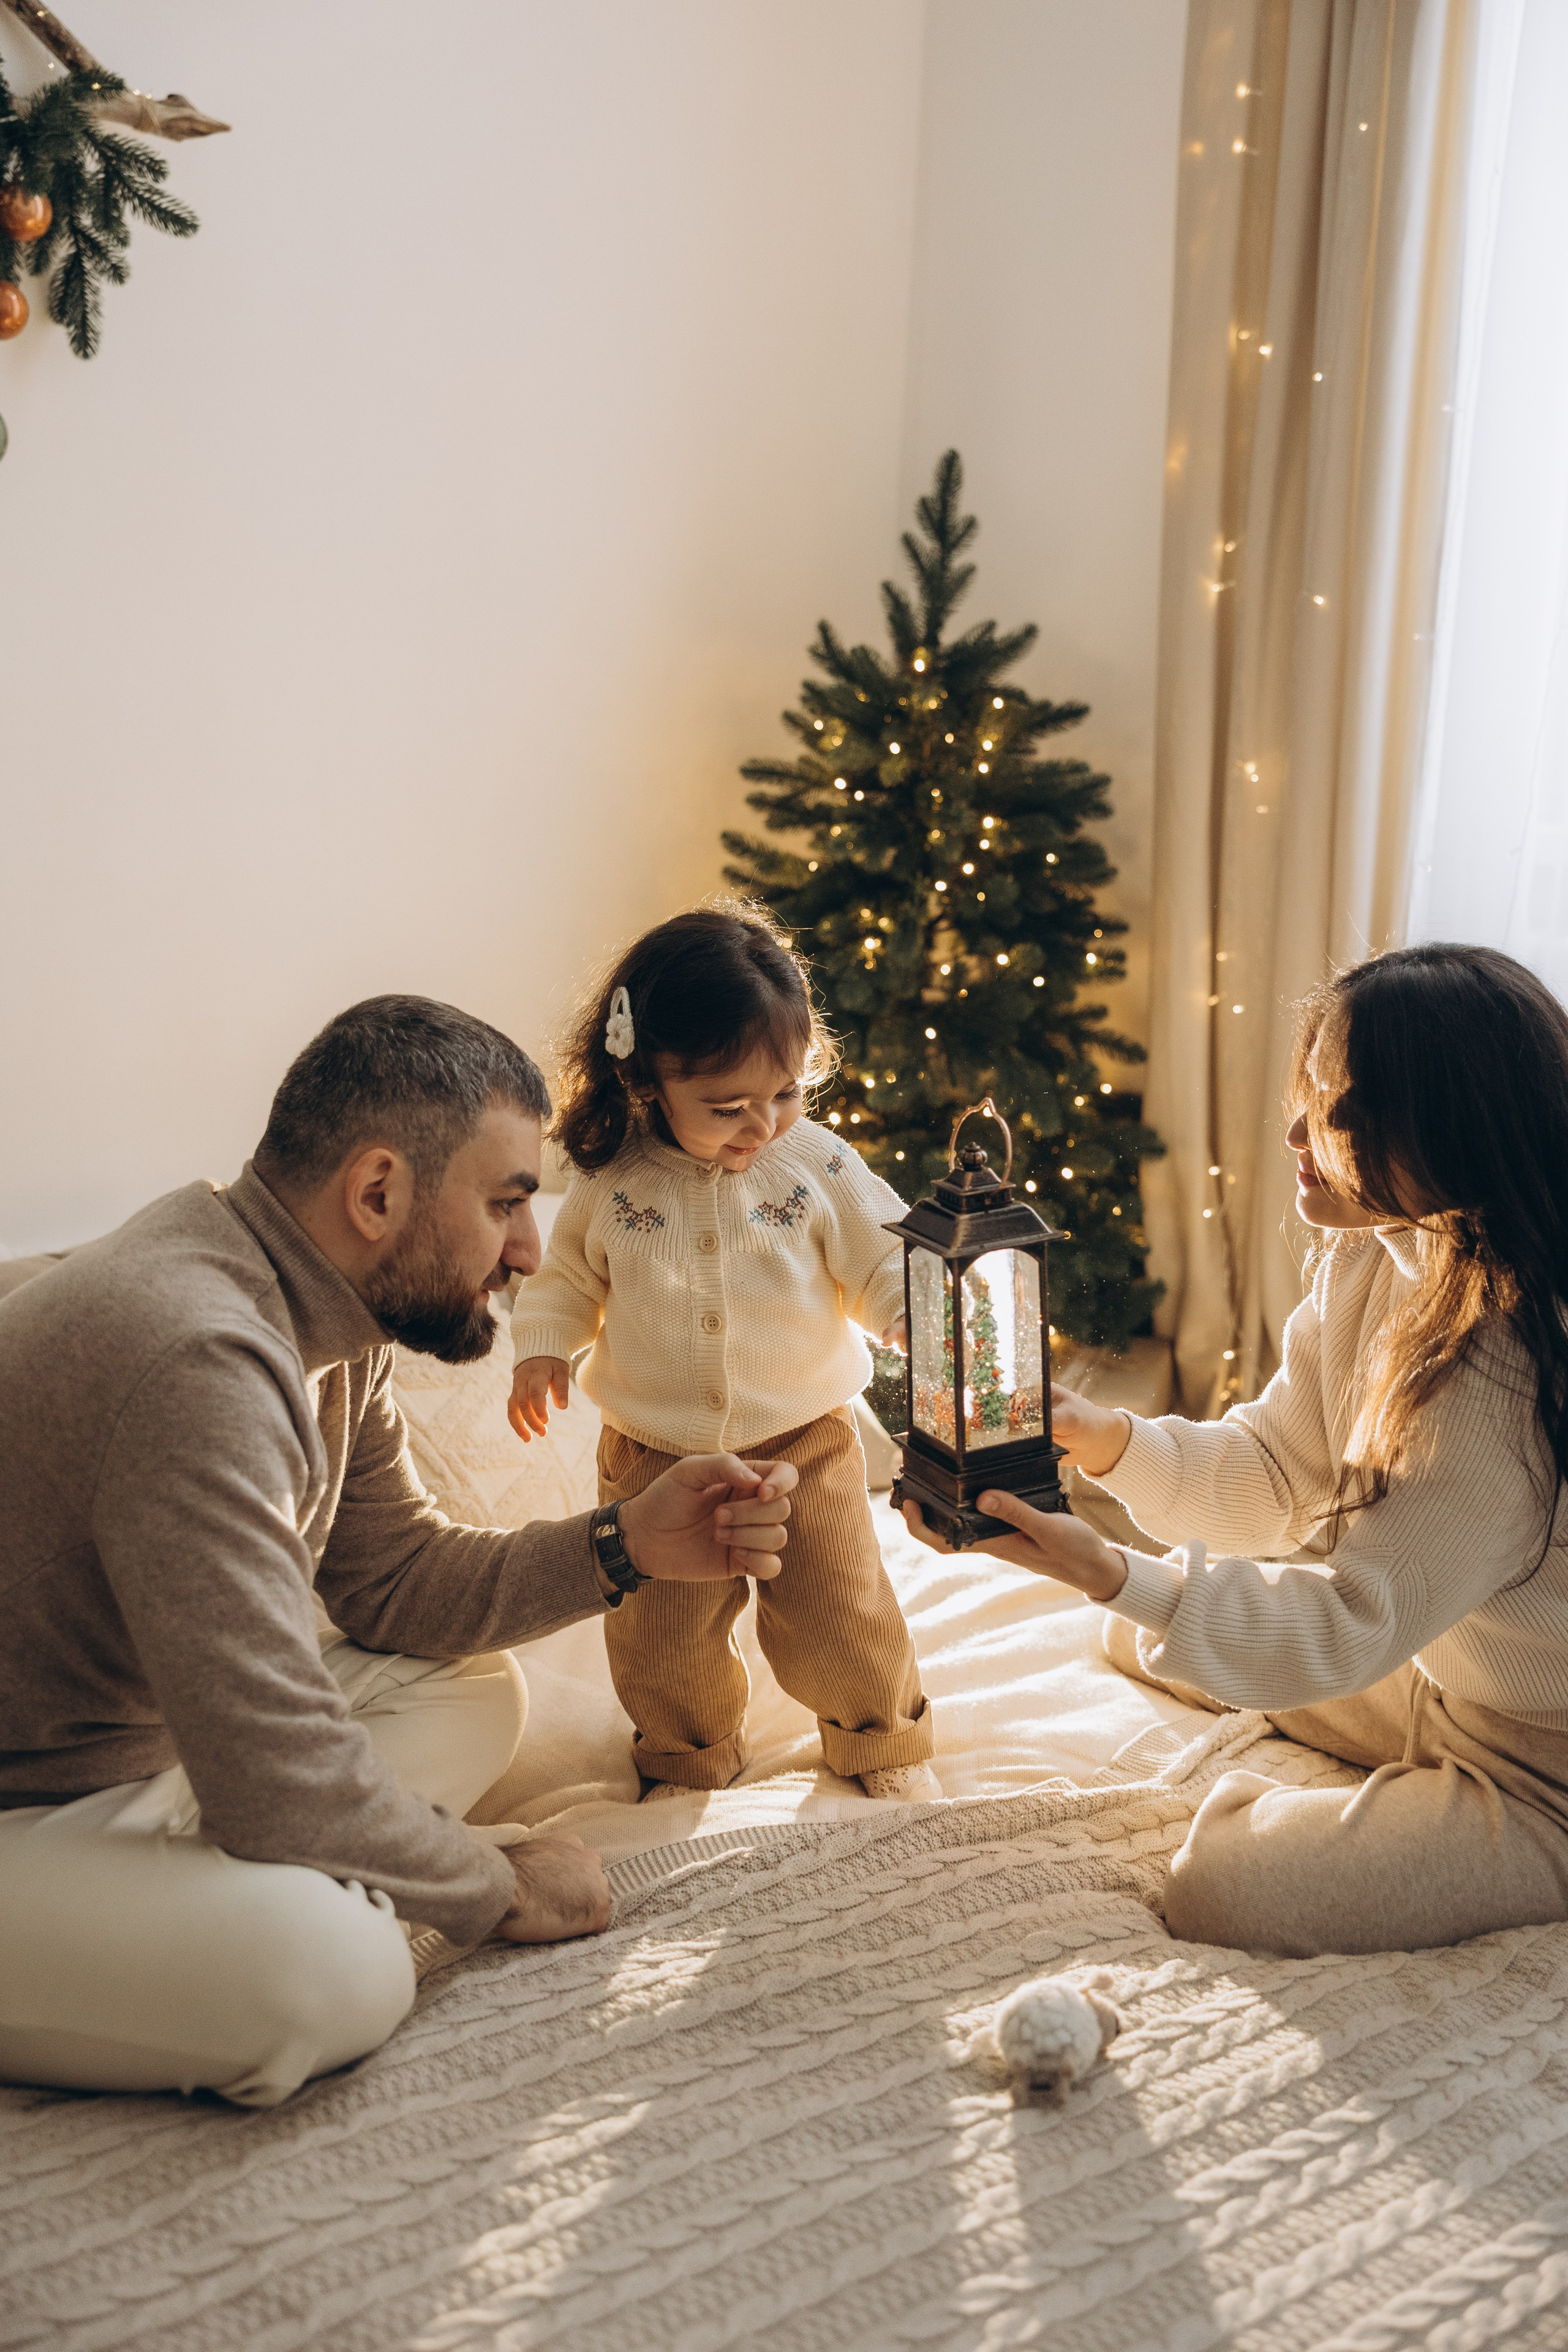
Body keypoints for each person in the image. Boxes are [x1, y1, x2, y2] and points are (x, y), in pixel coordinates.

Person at [0, 994, 798, 2106]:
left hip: (155, 1751)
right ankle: (294, 1891)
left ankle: (282, 1868)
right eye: (506, 1203)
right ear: (377, 1192)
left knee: (472, 1689)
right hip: (28, 1800)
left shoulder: (325, 1315)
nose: (529, 1251)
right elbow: (271, 1772)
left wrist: (628, 1543)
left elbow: (396, 1583)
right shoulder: (198, 1357)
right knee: (337, 1976)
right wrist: (491, 1886)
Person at [903, 944, 1568, 1958]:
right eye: (1309, 1094)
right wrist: (1108, 1441)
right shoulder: (1375, 1251)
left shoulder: (1503, 1363)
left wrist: (1111, 1570)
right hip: (1438, 1676)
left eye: (1340, 1113)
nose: (1298, 1132)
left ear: (1448, 1128)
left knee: (1221, 1883)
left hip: (1543, 1762)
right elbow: (1274, 1473)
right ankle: (1350, 1722)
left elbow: (1352, 1622)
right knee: (1145, 1631)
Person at [509, 907, 938, 1800]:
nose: (763, 1125)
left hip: (803, 1443)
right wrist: (543, 1350)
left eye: (785, 1094)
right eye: (728, 1109)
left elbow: (882, 1257)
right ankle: (685, 1754)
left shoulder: (818, 1165)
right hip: (653, 1454)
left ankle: (882, 1743)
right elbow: (565, 1281)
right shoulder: (612, 1179)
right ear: (645, 1078)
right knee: (663, 1634)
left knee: (840, 1612)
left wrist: (906, 1314)